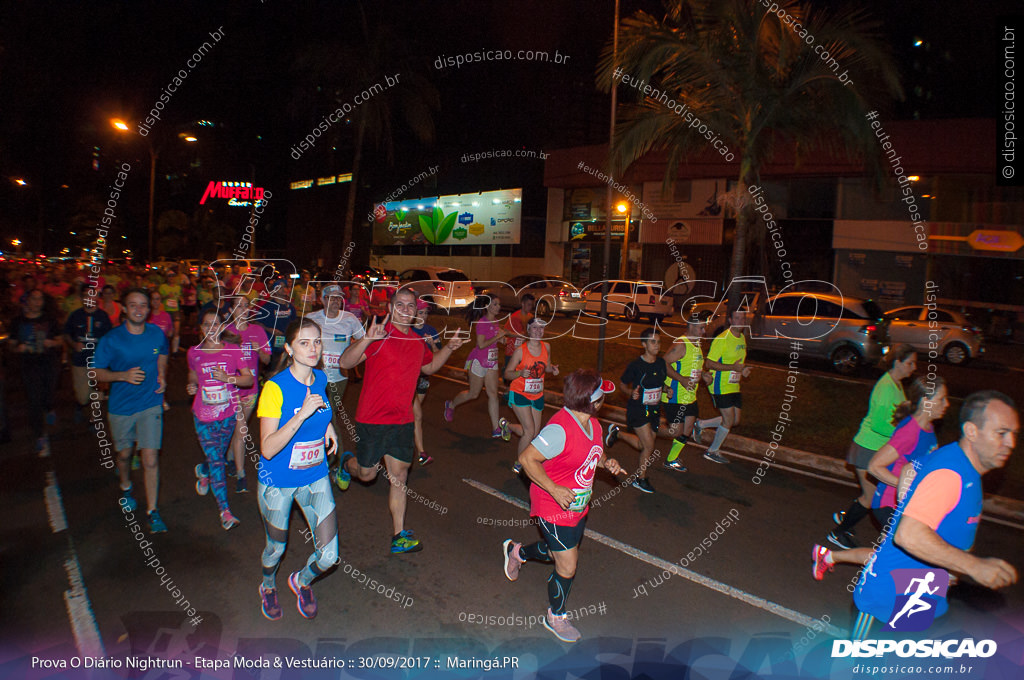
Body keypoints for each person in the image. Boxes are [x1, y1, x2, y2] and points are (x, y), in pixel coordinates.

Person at [850, 391, 1019, 639]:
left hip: (919, 594)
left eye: (1014, 434)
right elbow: (908, 535)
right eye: (1001, 433)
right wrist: (973, 565)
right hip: (885, 603)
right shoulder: (951, 474)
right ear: (972, 431)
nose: (1011, 443)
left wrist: (948, 567)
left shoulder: (954, 457)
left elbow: (911, 467)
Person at [335, 288, 466, 553]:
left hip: (402, 420)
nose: (406, 310)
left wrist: (450, 348)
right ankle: (346, 465)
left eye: (411, 306)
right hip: (372, 419)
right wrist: (366, 340)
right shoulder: (379, 336)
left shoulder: (418, 341)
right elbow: (345, 363)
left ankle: (399, 536)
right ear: (391, 307)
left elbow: (428, 367)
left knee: (399, 475)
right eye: (401, 305)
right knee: (368, 474)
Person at [502, 369, 621, 642]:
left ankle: (517, 552)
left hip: (578, 506)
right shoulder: (559, 430)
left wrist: (607, 462)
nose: (606, 401)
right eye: (603, 396)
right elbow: (527, 459)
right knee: (567, 565)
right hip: (552, 506)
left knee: (557, 552)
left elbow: (595, 451)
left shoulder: (594, 424)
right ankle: (556, 616)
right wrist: (554, 489)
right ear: (589, 401)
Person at [813, 377, 948, 580]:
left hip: (908, 505)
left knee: (890, 556)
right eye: (942, 399)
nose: (947, 404)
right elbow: (875, 467)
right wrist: (907, 486)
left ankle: (829, 557)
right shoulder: (910, 432)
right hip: (888, 504)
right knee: (905, 556)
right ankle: (872, 594)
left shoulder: (928, 429)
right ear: (926, 402)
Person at [256, 318, 339, 620]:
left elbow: (321, 405)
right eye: (304, 343)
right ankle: (267, 585)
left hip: (315, 476)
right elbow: (267, 448)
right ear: (289, 348)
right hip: (277, 481)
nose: (313, 348)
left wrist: (327, 425)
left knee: (329, 556)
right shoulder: (274, 390)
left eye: (317, 341)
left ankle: (300, 581)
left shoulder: (320, 378)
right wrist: (302, 416)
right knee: (275, 549)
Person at [92, 289, 169, 533]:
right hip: (121, 407)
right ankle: (125, 485)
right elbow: (95, 372)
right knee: (124, 455)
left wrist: (163, 377)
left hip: (150, 403)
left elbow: (163, 354)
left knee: (150, 458)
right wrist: (122, 376)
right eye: (133, 305)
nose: (138, 309)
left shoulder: (157, 333)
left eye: (143, 305)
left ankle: (152, 511)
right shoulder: (112, 339)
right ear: (124, 308)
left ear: (148, 309)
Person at [829, 344, 917, 550]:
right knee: (871, 497)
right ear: (897, 363)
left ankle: (848, 515)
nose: (913, 367)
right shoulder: (886, 388)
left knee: (874, 495)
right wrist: (902, 435)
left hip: (876, 450)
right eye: (910, 363)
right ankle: (838, 533)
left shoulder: (896, 384)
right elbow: (879, 425)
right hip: (867, 448)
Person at [187, 309, 253, 530]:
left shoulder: (233, 350)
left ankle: (204, 471)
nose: (211, 328)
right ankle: (225, 511)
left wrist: (229, 378)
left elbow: (248, 380)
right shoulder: (193, 352)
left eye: (216, 324)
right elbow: (193, 373)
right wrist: (192, 384)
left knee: (219, 457)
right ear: (201, 328)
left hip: (227, 415)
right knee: (218, 460)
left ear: (222, 327)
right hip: (203, 415)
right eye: (207, 324)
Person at [604, 327, 666, 494]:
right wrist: (631, 392)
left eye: (659, 342)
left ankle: (618, 434)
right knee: (649, 445)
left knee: (643, 445)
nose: (657, 345)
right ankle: (641, 478)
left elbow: (660, 384)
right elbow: (623, 384)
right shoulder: (636, 365)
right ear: (644, 344)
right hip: (637, 409)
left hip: (653, 410)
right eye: (653, 342)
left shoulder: (661, 364)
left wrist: (667, 390)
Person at [692, 305, 753, 465]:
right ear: (731, 320)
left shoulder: (741, 338)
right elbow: (709, 363)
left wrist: (743, 370)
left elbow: (737, 363)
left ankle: (700, 424)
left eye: (743, 318)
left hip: (734, 385)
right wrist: (733, 367)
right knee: (728, 420)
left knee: (735, 420)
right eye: (737, 318)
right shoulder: (722, 339)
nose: (741, 321)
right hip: (719, 385)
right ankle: (712, 451)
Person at [307, 284, 365, 453]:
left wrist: (352, 359)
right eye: (331, 298)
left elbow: (364, 342)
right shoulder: (312, 318)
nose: (336, 301)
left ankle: (334, 460)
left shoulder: (349, 319)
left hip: (339, 377)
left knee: (327, 414)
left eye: (339, 298)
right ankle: (327, 457)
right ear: (322, 300)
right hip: (315, 376)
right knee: (322, 416)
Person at [444, 294, 510, 440]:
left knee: (493, 394)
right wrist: (498, 337)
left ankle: (495, 428)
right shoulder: (482, 322)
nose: (498, 307)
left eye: (499, 304)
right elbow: (481, 345)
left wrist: (503, 340)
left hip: (491, 362)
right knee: (474, 393)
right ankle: (451, 405)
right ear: (487, 306)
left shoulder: (495, 322)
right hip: (478, 361)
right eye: (495, 304)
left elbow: (494, 339)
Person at [225, 294, 271, 492]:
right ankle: (241, 473)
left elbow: (267, 361)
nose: (243, 309)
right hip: (230, 389)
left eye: (246, 306)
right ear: (230, 310)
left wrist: (259, 349)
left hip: (251, 390)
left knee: (238, 430)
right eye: (238, 306)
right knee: (241, 430)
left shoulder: (257, 331)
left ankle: (227, 459)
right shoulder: (225, 331)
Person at [8, 289, 63, 455]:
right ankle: (39, 434)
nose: (37, 302)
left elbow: (60, 340)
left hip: (49, 363)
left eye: (40, 299)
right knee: (33, 399)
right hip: (29, 365)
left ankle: (49, 406)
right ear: (27, 300)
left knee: (48, 392)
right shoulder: (18, 321)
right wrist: (19, 347)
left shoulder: (50, 320)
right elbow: (10, 344)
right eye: (34, 298)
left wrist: (51, 343)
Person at [505, 318, 559, 474]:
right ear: (528, 330)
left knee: (534, 432)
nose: (538, 331)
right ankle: (520, 462)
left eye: (541, 328)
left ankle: (507, 426)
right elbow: (507, 374)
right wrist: (519, 373)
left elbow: (546, 366)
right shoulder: (521, 351)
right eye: (534, 328)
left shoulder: (546, 347)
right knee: (529, 431)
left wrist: (552, 369)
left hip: (537, 394)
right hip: (519, 392)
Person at [660, 315, 709, 472]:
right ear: (691, 326)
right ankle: (649, 427)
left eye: (704, 327)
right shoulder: (681, 344)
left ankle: (671, 459)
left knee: (687, 430)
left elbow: (692, 369)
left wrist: (704, 375)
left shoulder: (696, 344)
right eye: (701, 328)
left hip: (689, 397)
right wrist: (680, 379)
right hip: (674, 396)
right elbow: (663, 363)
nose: (704, 331)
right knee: (675, 431)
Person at [63, 288, 113, 425]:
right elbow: (66, 334)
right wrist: (74, 344)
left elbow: (110, 338)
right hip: (80, 361)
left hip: (98, 362)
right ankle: (80, 405)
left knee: (98, 392)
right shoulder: (75, 315)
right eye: (85, 295)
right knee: (83, 396)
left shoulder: (103, 316)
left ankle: (94, 418)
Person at [412, 300, 442, 465]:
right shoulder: (407, 330)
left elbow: (438, 355)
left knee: (413, 414)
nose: (423, 316)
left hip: (423, 378)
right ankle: (421, 452)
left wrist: (432, 344)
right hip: (408, 378)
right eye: (420, 313)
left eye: (426, 313)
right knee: (417, 415)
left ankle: (406, 437)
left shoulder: (431, 331)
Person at [503, 293, 535, 378]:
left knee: (521, 373)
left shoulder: (531, 317)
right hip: (512, 350)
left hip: (523, 350)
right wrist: (518, 335)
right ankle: (507, 389)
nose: (530, 307)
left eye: (531, 305)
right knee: (510, 373)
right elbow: (505, 331)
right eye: (528, 304)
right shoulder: (515, 317)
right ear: (522, 304)